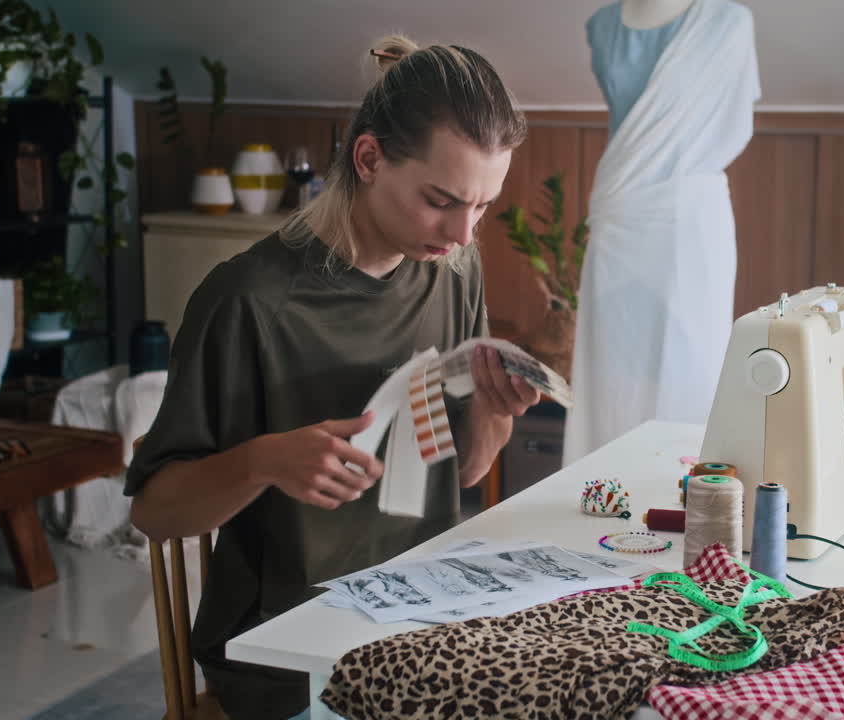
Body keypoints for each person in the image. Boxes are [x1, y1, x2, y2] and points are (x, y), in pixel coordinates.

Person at [125, 36, 538, 720]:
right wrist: (262, 461)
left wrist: (496, 413)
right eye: (441, 200)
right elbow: (155, 511)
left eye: (483, 206)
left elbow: (461, 472)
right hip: (285, 648)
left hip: (421, 619)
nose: (464, 233)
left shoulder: (453, 269)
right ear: (369, 158)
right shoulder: (247, 301)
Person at [563, 0, 761, 466]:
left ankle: (685, 498)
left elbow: (732, 120)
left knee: (687, 371)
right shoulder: (602, 25)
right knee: (610, 377)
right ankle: (603, 492)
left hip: (687, 220)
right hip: (619, 215)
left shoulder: (728, 22)